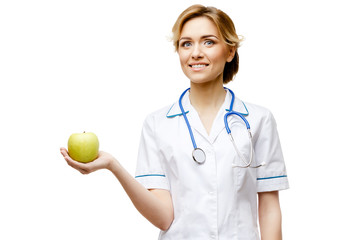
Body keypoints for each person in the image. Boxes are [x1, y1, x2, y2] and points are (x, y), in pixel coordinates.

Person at [60, 4, 289, 240]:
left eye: (208, 42)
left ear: (230, 51)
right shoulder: (157, 124)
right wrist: (113, 166)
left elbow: (269, 206)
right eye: (186, 43)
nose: (195, 53)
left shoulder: (259, 120)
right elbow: (164, 217)